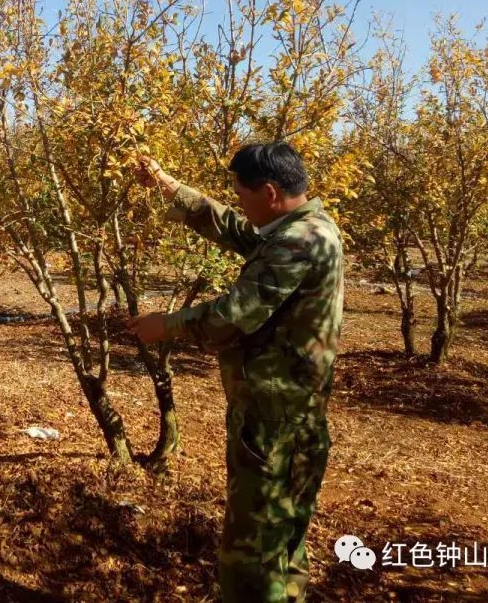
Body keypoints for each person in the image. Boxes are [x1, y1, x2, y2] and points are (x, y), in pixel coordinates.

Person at [127, 142, 343, 603]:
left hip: (273, 420)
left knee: (254, 549)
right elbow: (236, 229)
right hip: (292, 412)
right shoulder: (305, 226)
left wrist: (164, 326)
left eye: (243, 195)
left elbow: (235, 315)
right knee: (284, 540)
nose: (240, 205)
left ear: (268, 192)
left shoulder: (299, 242)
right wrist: (167, 184)